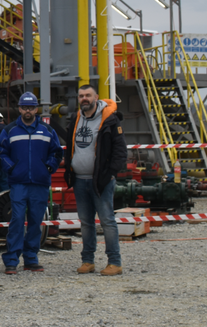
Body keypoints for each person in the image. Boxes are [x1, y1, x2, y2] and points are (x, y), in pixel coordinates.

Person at [64, 84, 128, 276]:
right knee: (86, 222)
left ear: (96, 97)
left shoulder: (109, 120)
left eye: (88, 95)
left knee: (107, 220)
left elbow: (120, 152)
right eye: (81, 95)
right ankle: (87, 261)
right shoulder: (76, 119)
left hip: (100, 181)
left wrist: (109, 174)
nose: (84, 98)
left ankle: (114, 262)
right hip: (80, 180)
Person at [0, 93, 63, 274]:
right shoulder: (10, 130)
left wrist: (48, 167)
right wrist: (11, 168)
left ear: (36, 109)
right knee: (17, 219)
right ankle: (12, 259)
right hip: (18, 183)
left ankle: (31, 258)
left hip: (39, 183)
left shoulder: (47, 131)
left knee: (36, 221)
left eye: (31, 107)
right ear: (19, 108)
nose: (28, 111)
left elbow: (57, 153)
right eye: (25, 107)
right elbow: (1, 152)